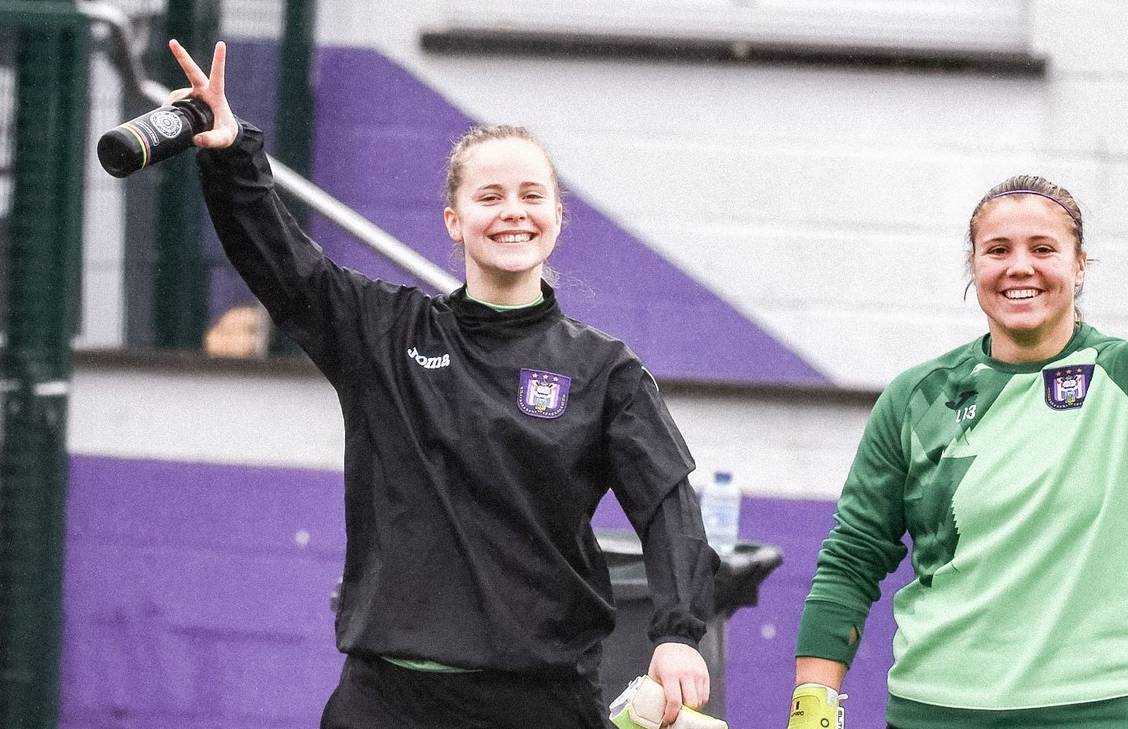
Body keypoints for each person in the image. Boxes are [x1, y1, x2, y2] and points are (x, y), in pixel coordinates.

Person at [165, 39, 719, 729]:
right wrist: (231, 154)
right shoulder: (385, 334)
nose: (512, 211)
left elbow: (667, 502)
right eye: (488, 196)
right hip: (388, 699)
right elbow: (286, 267)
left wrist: (676, 629)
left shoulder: (606, 371)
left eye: (531, 195)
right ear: (454, 222)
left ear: (557, 219)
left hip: (541, 699)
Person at [786, 143, 1128, 728]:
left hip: (1100, 713)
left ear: (1080, 267)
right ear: (974, 266)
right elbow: (853, 557)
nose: (1018, 266)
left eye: (1044, 249)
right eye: (997, 250)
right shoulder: (916, 397)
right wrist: (813, 700)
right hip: (936, 712)